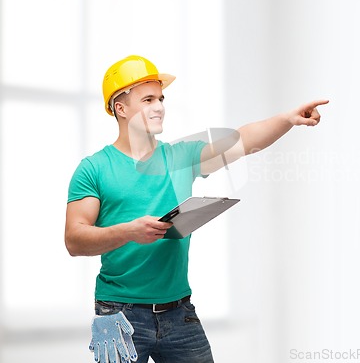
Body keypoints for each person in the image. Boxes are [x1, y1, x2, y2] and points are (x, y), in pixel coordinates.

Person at [65, 55, 328, 363]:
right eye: (148, 99)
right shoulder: (94, 169)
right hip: (119, 314)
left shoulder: (179, 158)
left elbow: (242, 140)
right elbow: (75, 239)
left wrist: (287, 119)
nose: (159, 106)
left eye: (160, 98)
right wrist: (130, 231)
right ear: (120, 109)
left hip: (179, 313)